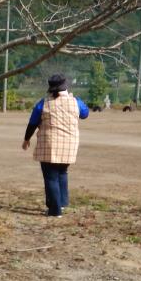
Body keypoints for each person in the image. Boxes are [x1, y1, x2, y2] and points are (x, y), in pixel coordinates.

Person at [21, 74, 89, 217]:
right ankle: (62, 203)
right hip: (70, 143)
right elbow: (85, 114)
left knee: (51, 177)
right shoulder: (76, 101)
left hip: (49, 144)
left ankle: (55, 210)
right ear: (66, 86)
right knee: (62, 172)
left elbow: (33, 122)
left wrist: (27, 139)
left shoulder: (44, 103)